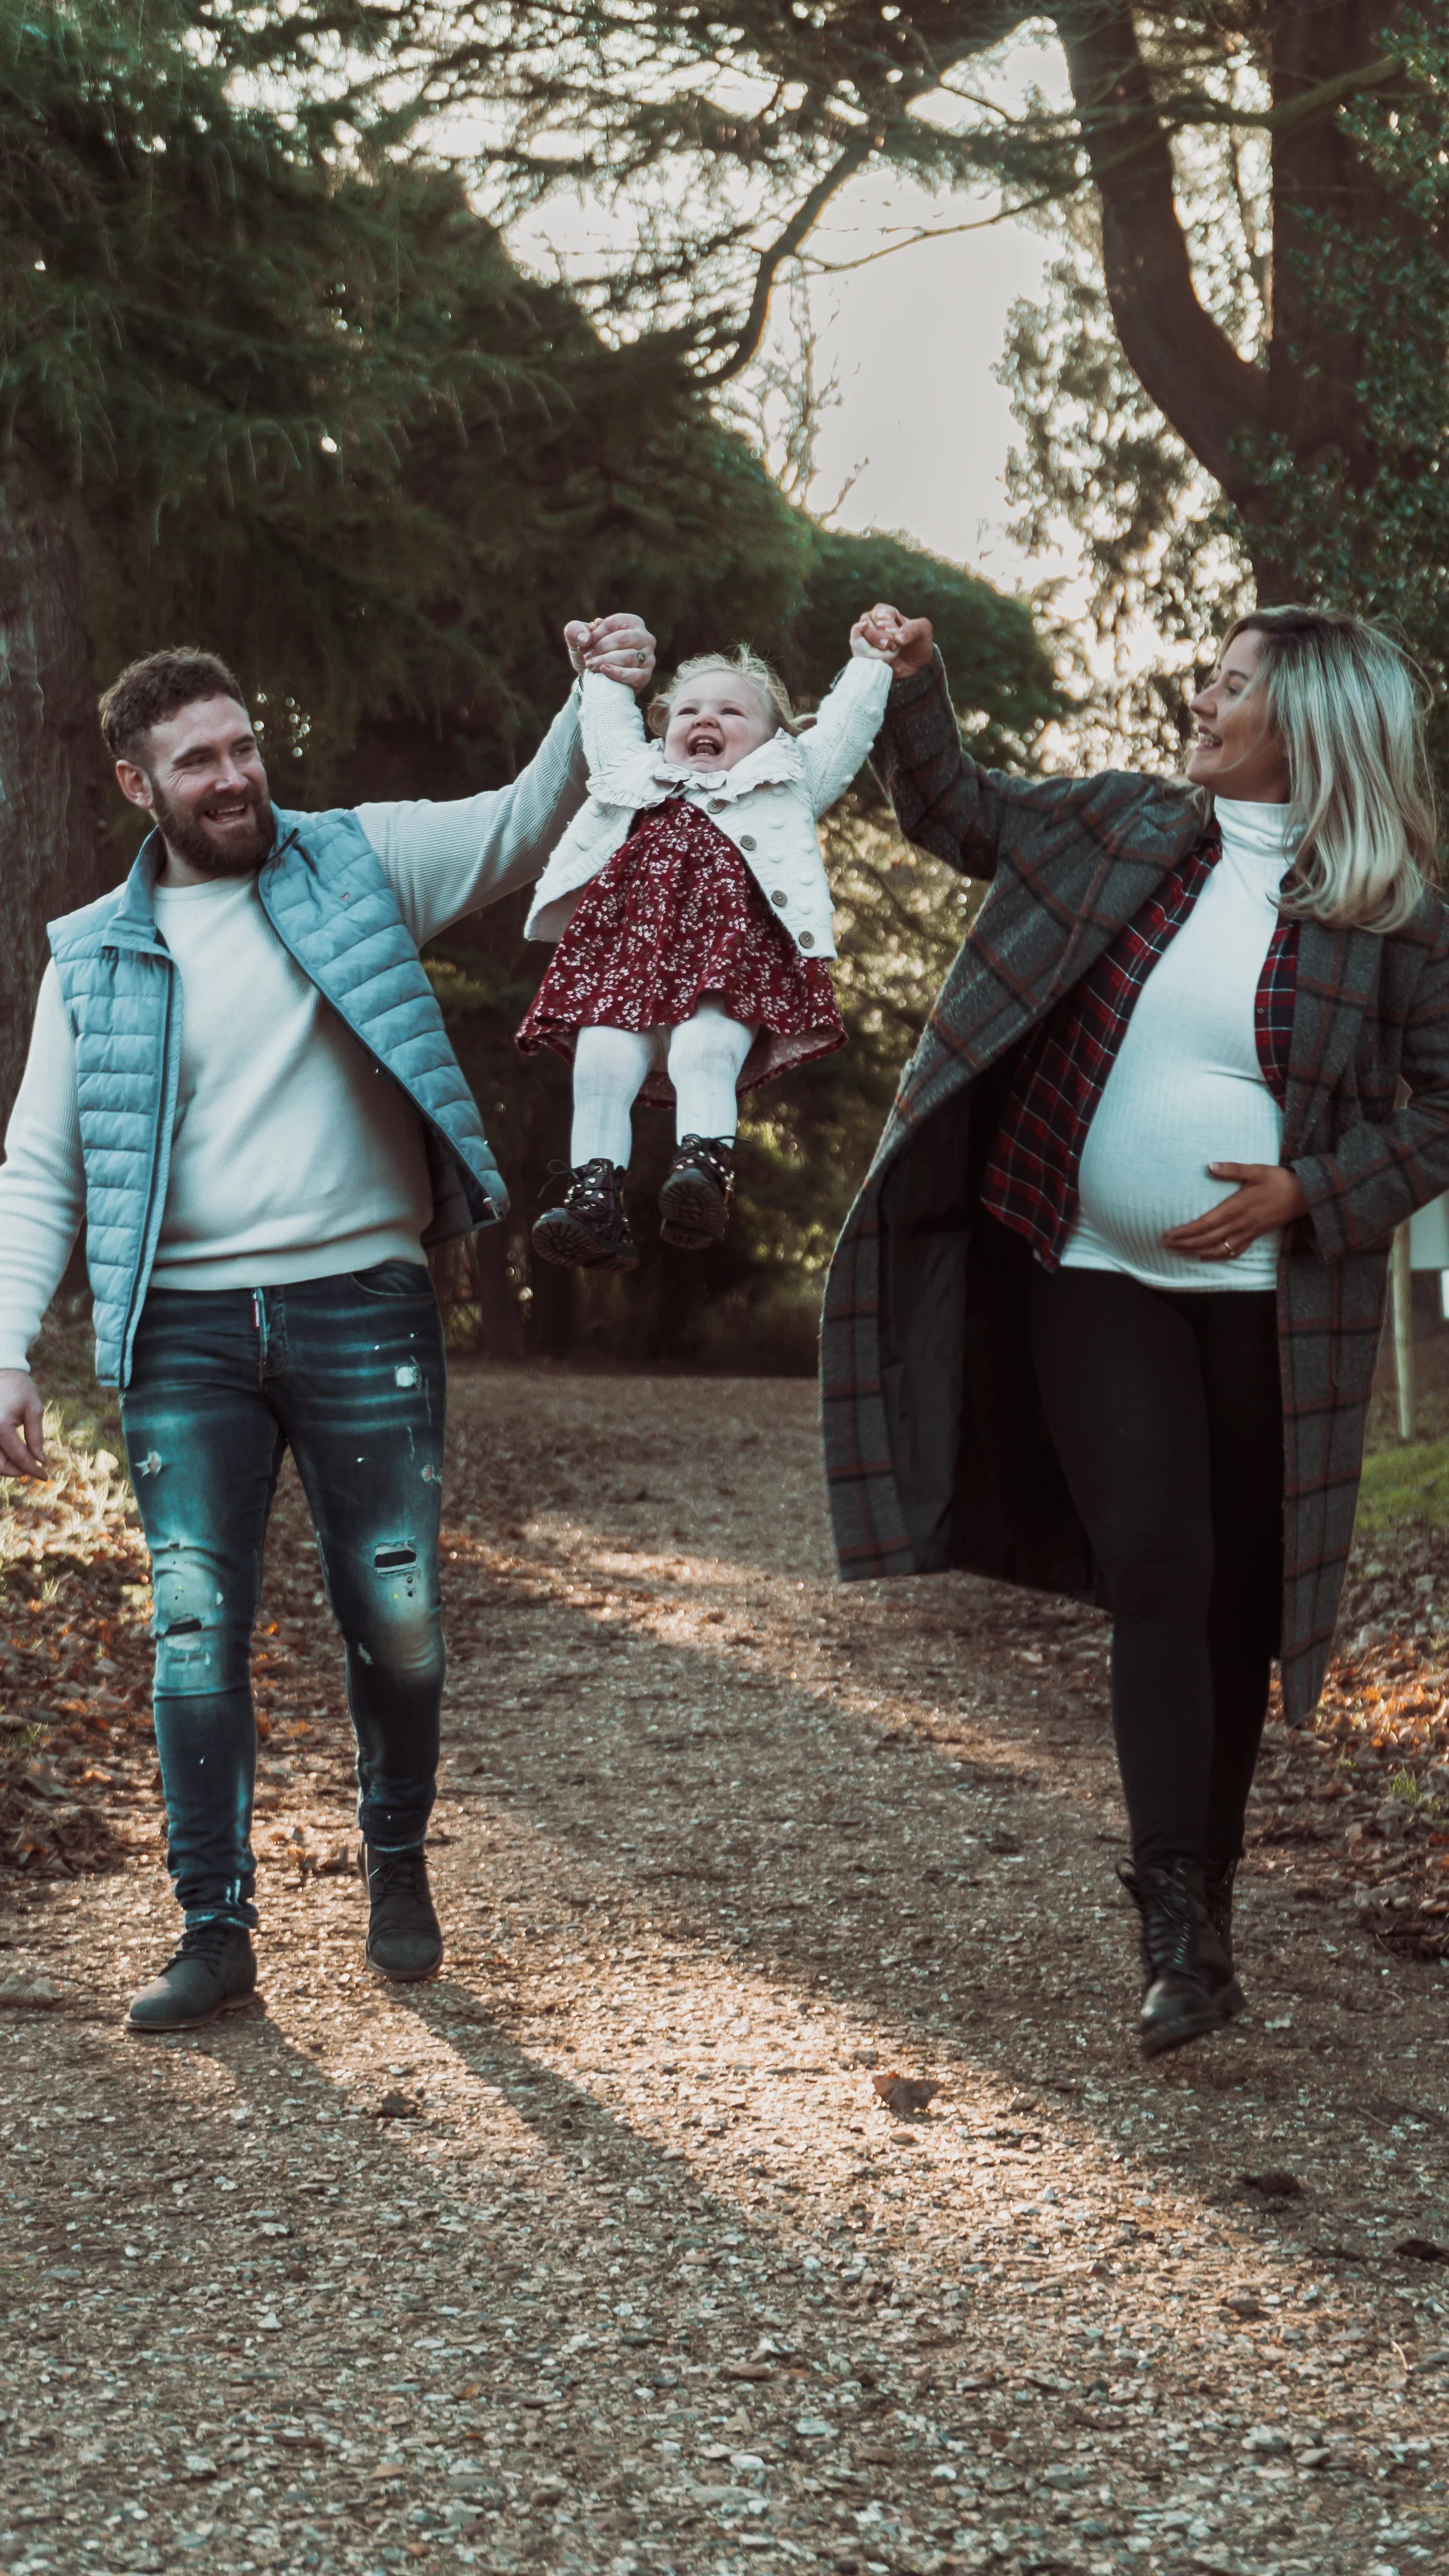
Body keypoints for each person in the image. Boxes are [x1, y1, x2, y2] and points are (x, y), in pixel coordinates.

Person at [0, 612, 656, 2033]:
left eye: (242, 746)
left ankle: (396, 1857)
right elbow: (39, 1164)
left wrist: (591, 691)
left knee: (396, 1614)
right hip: (180, 1331)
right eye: (198, 760)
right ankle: (213, 1926)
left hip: (363, 1300)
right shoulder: (91, 954)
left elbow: (517, 822)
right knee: (193, 1630)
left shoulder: (357, 860)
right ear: (138, 784)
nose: (234, 775)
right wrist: (4, 1347)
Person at [822, 599, 1448, 2057]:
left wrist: (1310, 1190)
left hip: (1276, 1310)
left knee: (1235, 1599)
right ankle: (1171, 1922)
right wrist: (916, 684)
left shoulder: (1395, 916)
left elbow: (1442, 1107)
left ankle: (1210, 1897)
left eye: (1230, 685)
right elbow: (957, 811)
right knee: (1159, 1564)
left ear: (1308, 724)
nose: (1200, 701)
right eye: (1209, 677)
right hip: (1087, 1264)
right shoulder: (1121, 828)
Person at [516, 634, 893, 1269]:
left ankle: (703, 1174)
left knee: (705, 1052)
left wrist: (873, 661)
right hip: (625, 967)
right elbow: (606, 722)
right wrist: (603, 669)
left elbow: (844, 731)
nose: (705, 720)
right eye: (688, 711)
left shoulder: (784, 781)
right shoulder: (633, 777)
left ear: (773, 741)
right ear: (665, 730)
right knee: (599, 1067)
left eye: (730, 711)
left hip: (725, 967)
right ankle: (595, 1205)